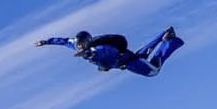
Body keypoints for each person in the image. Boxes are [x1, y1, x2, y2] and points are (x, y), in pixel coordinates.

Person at [36, 26, 182, 76]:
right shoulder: (75, 44)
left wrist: (91, 55)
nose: (80, 47)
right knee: (141, 56)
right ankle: (164, 34)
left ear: (88, 43)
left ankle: (168, 41)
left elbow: (106, 53)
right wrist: (46, 42)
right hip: (127, 59)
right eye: (79, 45)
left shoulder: (99, 48)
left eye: (83, 45)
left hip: (128, 61)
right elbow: (62, 41)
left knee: (153, 71)